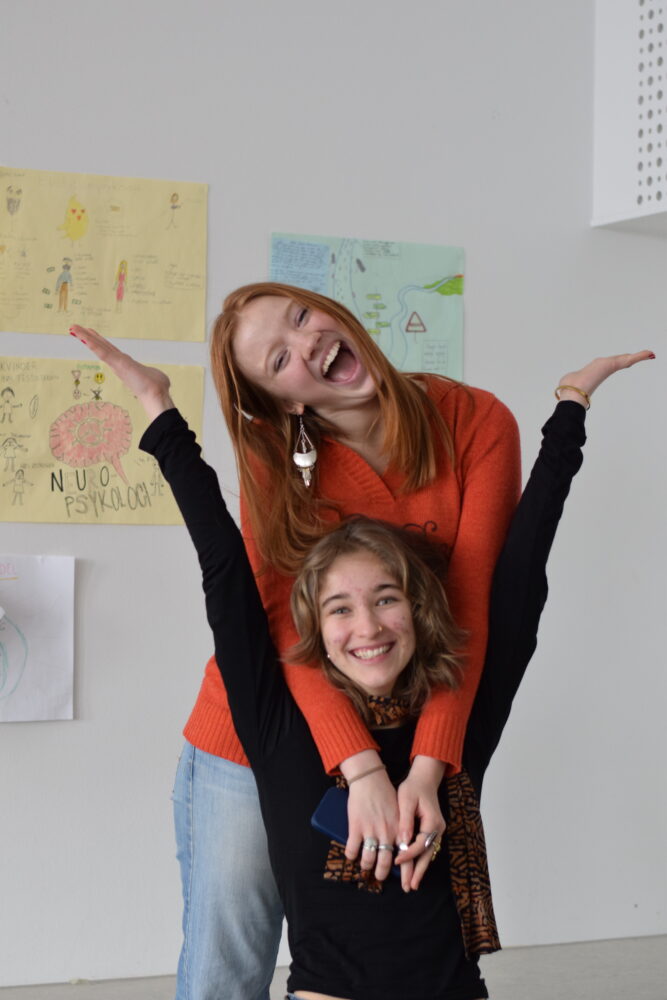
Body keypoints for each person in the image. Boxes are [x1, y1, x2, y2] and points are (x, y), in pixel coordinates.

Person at [68, 325, 652, 1000]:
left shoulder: (454, 729)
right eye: (339, 609)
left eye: (386, 599)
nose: (367, 627)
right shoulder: (280, 730)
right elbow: (224, 568)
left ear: (419, 612)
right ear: (313, 629)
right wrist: (158, 407)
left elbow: (520, 573)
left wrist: (572, 405)